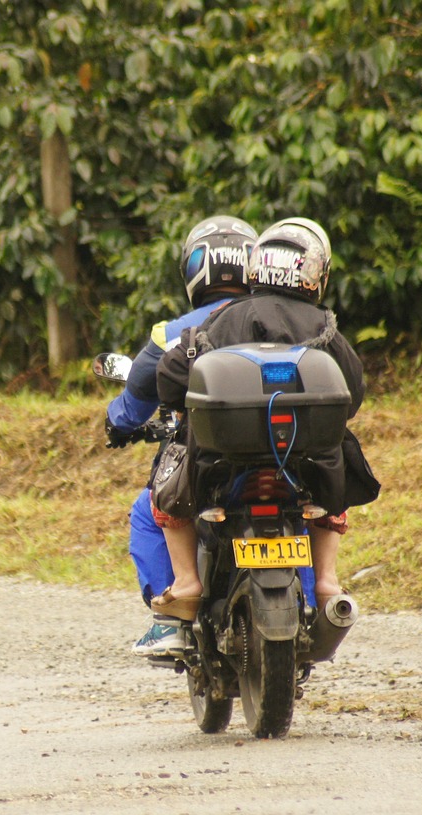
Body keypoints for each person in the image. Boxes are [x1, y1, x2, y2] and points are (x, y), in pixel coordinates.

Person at [151, 217, 374, 621]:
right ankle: (325, 580)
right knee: (335, 471)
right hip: (307, 464)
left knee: (166, 484)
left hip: (219, 463)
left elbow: (171, 376)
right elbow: (352, 392)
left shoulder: (221, 320)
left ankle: (186, 582)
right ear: (315, 274)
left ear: (258, 266)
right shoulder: (324, 327)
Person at [105, 215, 257, 656]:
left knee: (148, 511)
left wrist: (119, 423)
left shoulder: (171, 331)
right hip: (282, 453)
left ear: (194, 270)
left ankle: (172, 617)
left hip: (207, 463)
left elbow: (137, 396)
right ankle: (313, 599)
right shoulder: (275, 318)